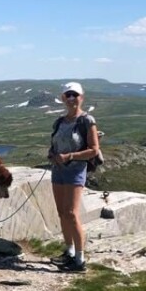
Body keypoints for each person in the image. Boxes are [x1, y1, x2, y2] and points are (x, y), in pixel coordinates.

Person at [47, 82, 100, 272]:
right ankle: (69, 252)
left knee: (71, 213)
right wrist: (53, 155)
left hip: (76, 171)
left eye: (74, 95)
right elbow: (54, 144)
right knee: (62, 213)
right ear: (63, 98)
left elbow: (94, 150)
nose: (71, 99)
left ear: (81, 97)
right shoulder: (60, 122)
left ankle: (80, 260)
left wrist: (69, 156)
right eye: (67, 95)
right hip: (58, 171)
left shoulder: (87, 120)